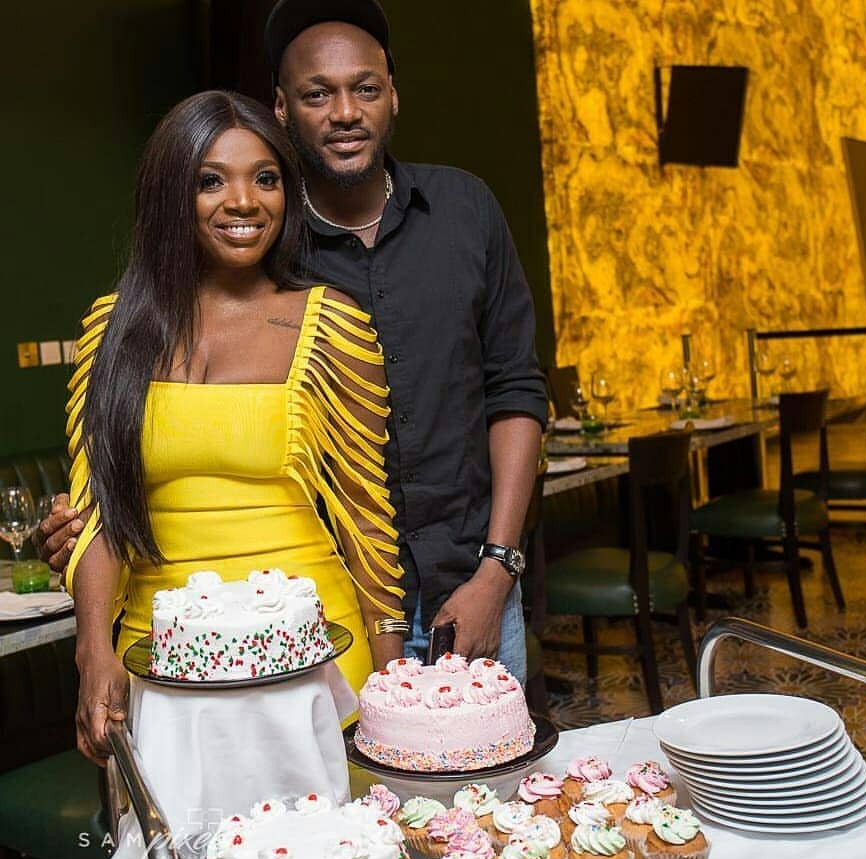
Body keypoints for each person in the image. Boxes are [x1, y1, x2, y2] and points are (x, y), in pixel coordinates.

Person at [37, 0, 547, 683]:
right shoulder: (263, 252)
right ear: (282, 108)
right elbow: (145, 463)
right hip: (309, 615)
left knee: (487, 751)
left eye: (365, 88)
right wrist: (78, 534)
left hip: (470, 583)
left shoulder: (464, 210)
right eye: (317, 94)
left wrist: (498, 570)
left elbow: (515, 389)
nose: (345, 112)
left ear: (393, 94)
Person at [65, 90, 406, 766]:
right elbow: (98, 512)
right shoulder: (113, 331)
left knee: (328, 834)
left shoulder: (330, 324)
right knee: (178, 836)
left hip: (314, 658)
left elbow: (368, 519)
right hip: (162, 667)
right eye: (210, 181)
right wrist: (91, 650)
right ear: (171, 195)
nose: (244, 201)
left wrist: (392, 680)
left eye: (266, 178)